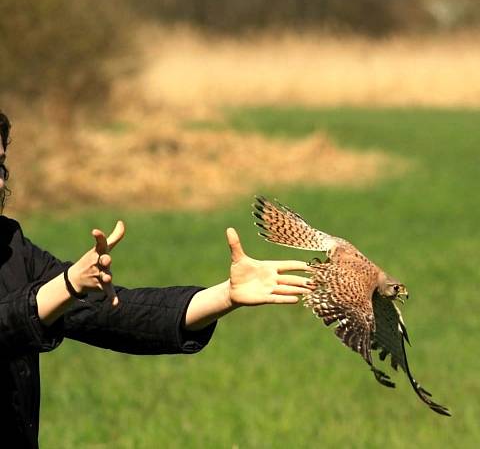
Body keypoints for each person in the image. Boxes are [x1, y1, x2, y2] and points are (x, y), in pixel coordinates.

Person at [0, 111, 313, 448]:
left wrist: (226, 296)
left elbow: (113, 312)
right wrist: (66, 286)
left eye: (1, 165)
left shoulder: (11, 246)